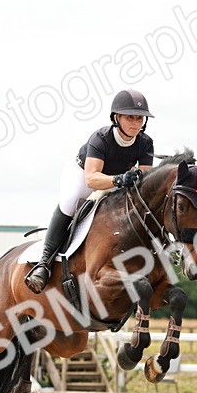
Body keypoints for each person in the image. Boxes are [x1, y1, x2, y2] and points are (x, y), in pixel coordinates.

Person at [24, 89, 155, 293]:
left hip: (116, 181)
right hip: (83, 175)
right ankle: (44, 264)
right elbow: (92, 179)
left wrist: (135, 177)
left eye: (140, 118)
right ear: (116, 118)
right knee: (70, 201)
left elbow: (145, 180)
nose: (136, 123)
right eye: (130, 117)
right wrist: (120, 179)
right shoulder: (101, 138)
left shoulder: (145, 142)